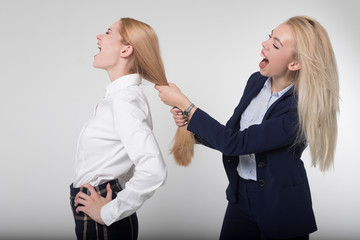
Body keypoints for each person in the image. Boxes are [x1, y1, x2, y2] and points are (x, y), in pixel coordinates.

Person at [156, 16, 339, 240]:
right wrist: (194, 130)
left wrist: (188, 106)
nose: (265, 44)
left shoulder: (301, 109)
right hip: (240, 199)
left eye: (276, 44)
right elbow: (234, 137)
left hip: (281, 207)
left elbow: (236, 144)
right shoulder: (256, 81)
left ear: (294, 64)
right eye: (269, 37)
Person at [70, 18, 168, 240]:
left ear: (126, 49)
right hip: (100, 205)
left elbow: (154, 170)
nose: (99, 37)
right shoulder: (119, 99)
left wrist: (108, 211)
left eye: (107, 32)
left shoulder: (124, 101)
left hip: (101, 218)